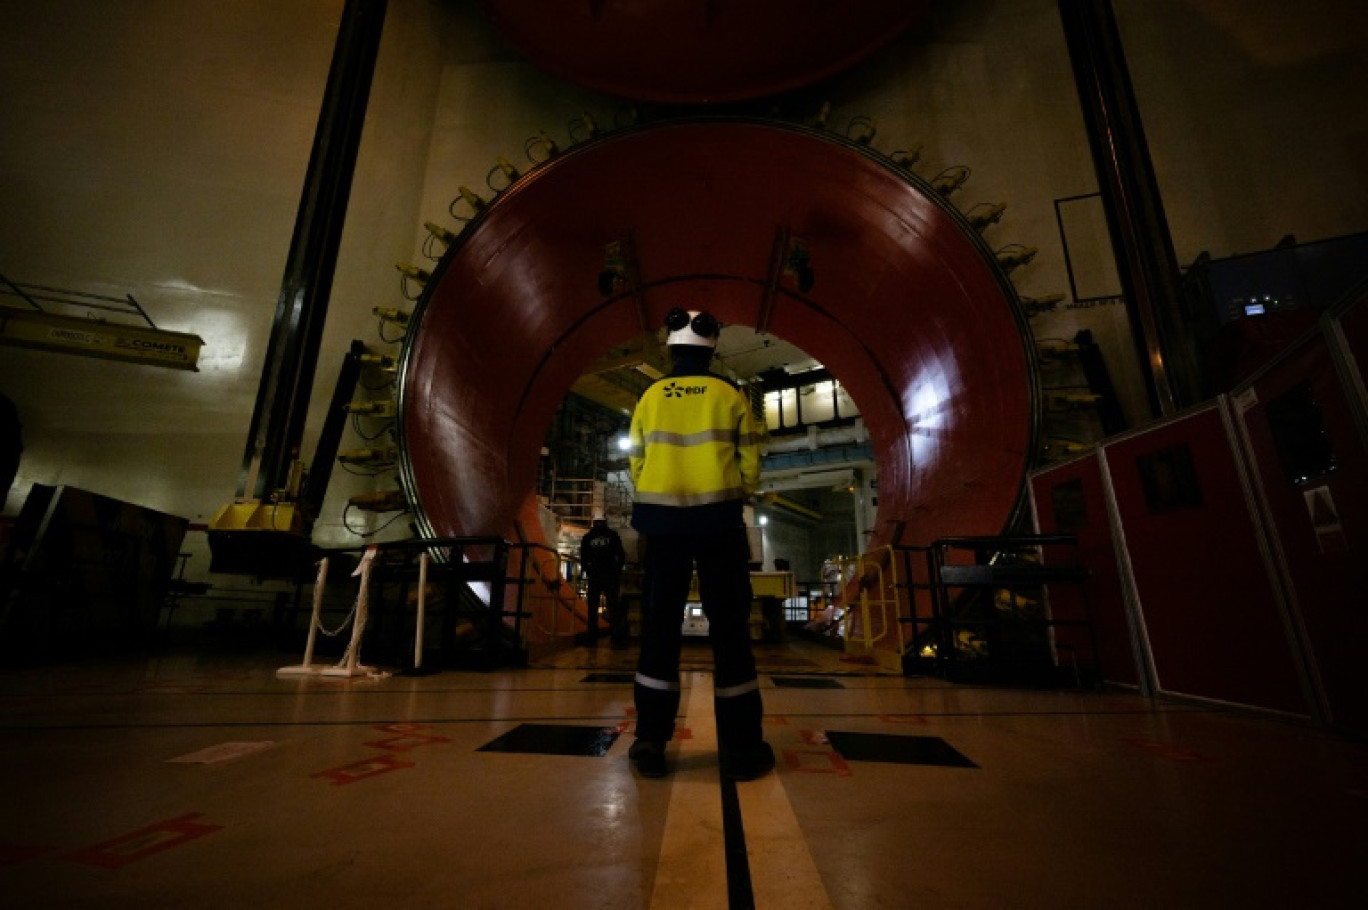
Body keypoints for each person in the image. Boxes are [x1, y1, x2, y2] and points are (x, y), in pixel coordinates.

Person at [625, 308, 774, 781]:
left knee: (659, 629)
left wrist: (658, 495)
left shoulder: (651, 396)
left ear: (670, 346)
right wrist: (735, 493)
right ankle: (743, 748)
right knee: (730, 629)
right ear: (712, 347)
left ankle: (650, 742)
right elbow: (750, 461)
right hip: (718, 525)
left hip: (662, 526)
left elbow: (637, 458)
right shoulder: (729, 395)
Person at [578, 512, 626, 647]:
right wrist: (616, 570)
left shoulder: (588, 538)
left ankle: (592, 639)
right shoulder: (613, 535)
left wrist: (589, 571)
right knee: (613, 607)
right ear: (605, 521)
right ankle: (616, 638)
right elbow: (621, 555)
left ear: (594, 522)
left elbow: (583, 558)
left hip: (595, 577)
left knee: (592, 609)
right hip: (611, 576)